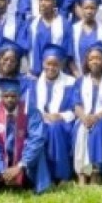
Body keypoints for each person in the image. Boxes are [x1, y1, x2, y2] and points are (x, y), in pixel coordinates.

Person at [0, 78, 50, 193]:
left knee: (39, 151)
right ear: (0, 97)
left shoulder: (31, 111)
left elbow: (37, 139)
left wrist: (20, 166)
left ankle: (29, 183)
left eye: (13, 96)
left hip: (23, 156)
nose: (9, 99)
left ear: (19, 96)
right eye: (6, 96)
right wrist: (3, 169)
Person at [71, 42, 102, 185]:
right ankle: (83, 173)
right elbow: (75, 103)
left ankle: (95, 173)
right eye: (91, 59)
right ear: (87, 62)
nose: (94, 61)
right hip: (83, 118)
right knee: (81, 130)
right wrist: (85, 117)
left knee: (98, 130)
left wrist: (96, 117)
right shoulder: (80, 81)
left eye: (98, 58)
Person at [33, 44, 77, 185]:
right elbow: (31, 106)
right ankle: (45, 175)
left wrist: (60, 116)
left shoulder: (71, 82)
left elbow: (75, 107)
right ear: (43, 63)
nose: (51, 68)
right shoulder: (33, 83)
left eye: (55, 64)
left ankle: (61, 175)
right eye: (48, 64)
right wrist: (42, 116)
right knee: (43, 129)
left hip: (64, 124)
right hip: (39, 121)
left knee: (55, 128)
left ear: (61, 65)